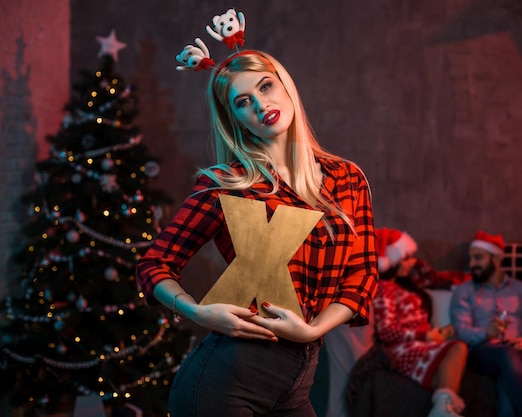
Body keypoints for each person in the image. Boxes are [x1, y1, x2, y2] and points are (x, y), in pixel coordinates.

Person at [136, 47, 378, 416]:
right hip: (224, 383)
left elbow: (362, 275)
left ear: (286, 85)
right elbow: (153, 264)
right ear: (235, 119)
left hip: (296, 382)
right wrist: (199, 313)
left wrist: (312, 331)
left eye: (266, 86)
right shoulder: (226, 184)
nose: (261, 104)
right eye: (243, 101)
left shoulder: (347, 179)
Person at [373, 228, 468, 417]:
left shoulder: (406, 286)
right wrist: (424, 335)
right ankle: (442, 410)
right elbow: (385, 331)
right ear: (393, 261)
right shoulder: (384, 289)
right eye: (406, 258)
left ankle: (444, 407)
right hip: (402, 348)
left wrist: (435, 335)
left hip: (423, 343)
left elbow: (430, 277)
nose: (412, 263)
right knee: (458, 348)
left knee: (456, 352)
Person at [450, 230, 522, 417]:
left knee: (508, 376)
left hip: (520, 352)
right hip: (482, 352)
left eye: (478, 258)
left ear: (496, 259)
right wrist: (487, 332)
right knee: (506, 355)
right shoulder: (464, 291)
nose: (471, 265)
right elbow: (461, 330)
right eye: (470, 259)